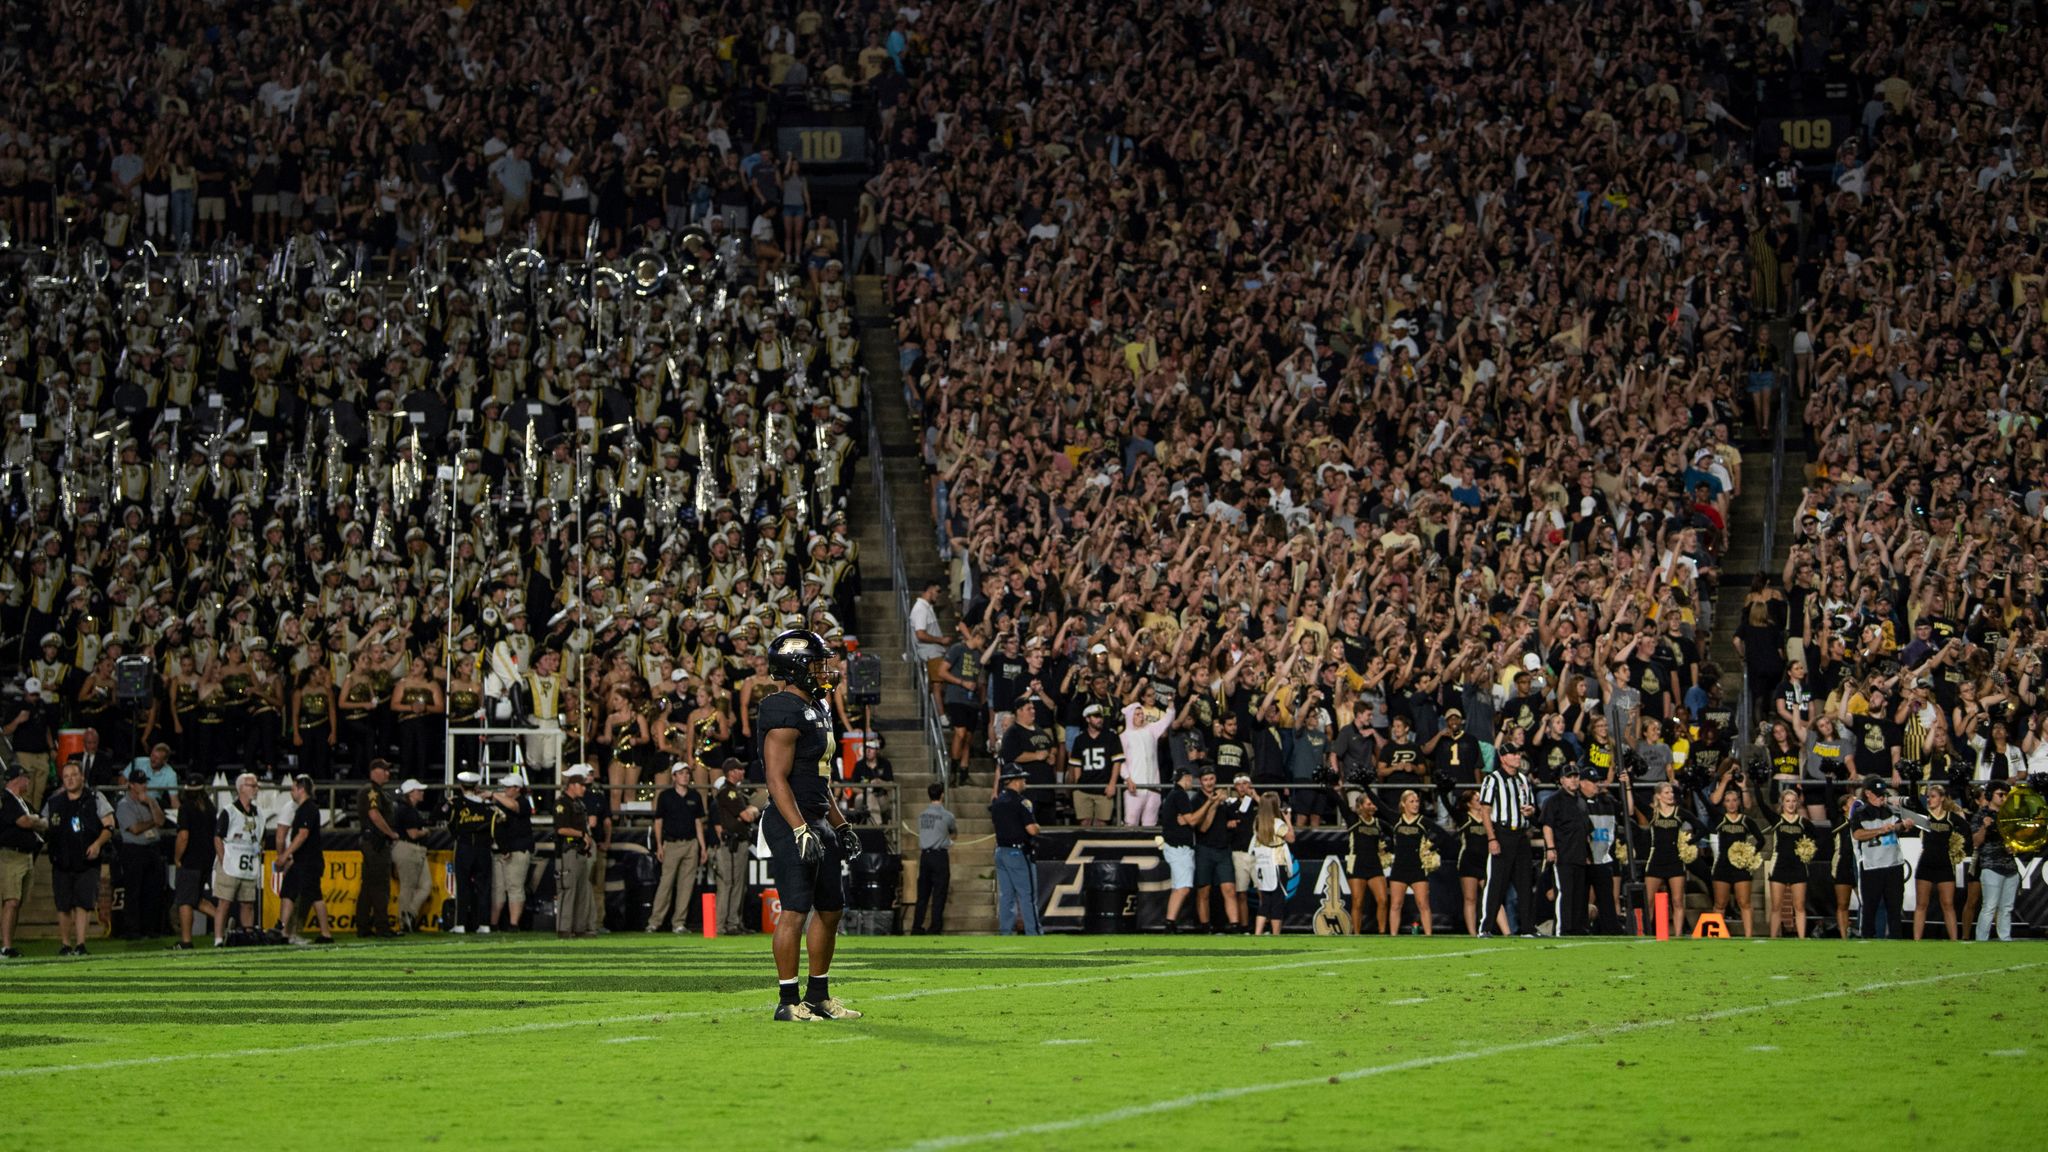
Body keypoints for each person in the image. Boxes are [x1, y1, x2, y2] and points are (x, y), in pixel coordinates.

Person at [758, 628, 863, 1020]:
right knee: (796, 909)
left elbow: (820, 780)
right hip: (791, 820)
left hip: (816, 816)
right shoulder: (781, 708)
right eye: (817, 664)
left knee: (831, 908)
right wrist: (800, 828)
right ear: (797, 668)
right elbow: (775, 779)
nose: (825, 671)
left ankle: (818, 995)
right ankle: (787, 1001)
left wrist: (840, 825)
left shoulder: (817, 707)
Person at [41, 760, 113, 956]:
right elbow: (44, 824)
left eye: (74, 775)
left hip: (87, 860)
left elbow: (109, 825)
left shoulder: (95, 798)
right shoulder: (54, 801)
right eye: (66, 776)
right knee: (63, 904)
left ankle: (80, 944)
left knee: (83, 903)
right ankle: (65, 944)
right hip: (61, 860)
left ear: (82, 777)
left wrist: (97, 844)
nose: (70, 779)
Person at [1478, 745, 1537, 937]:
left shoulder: (1523, 780)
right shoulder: (1492, 779)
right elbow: (1485, 811)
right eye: (1513, 754)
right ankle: (1485, 927)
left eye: (1518, 753)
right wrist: (1492, 838)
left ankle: (1528, 928)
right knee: (1496, 883)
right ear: (1503, 758)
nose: (1517, 757)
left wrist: (1531, 811)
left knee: (1525, 883)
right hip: (1502, 833)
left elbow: (1530, 807)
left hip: (1521, 834)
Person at [274, 774, 334, 945]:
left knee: (308, 894)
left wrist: (285, 855)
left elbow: (302, 835)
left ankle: (287, 932)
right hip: (305, 860)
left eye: (293, 788)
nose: (291, 792)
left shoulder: (307, 808)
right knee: (297, 892)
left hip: (307, 861)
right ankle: (287, 932)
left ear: (301, 789)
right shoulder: (305, 808)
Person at [649, 762, 708, 933]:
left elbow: (698, 823)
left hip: (691, 844)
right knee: (665, 884)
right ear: (674, 776)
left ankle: (679, 923)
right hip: (672, 844)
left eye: (687, 773)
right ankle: (655, 921)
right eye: (681, 773)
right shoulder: (665, 796)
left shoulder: (695, 796)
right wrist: (659, 845)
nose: (685, 776)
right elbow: (658, 822)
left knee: (686, 885)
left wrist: (702, 847)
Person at [1850, 777, 1909, 940]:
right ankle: (1867, 938)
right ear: (1868, 794)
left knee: (1895, 906)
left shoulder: (1890, 810)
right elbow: (1857, 834)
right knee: (1870, 907)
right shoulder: (1861, 813)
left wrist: (1903, 825)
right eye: (1878, 795)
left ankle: (1896, 939)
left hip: (1893, 864)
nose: (1882, 798)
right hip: (1872, 866)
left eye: (1883, 794)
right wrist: (1880, 830)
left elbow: (1897, 826)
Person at [112, 767, 166, 938]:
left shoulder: (151, 801)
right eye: (140, 783)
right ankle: (133, 930)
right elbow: (135, 828)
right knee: (134, 891)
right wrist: (152, 823)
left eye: (145, 782)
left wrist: (150, 803)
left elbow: (161, 821)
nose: (144, 786)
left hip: (152, 848)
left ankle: (150, 928)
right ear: (131, 785)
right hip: (133, 850)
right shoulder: (124, 805)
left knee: (152, 890)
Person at [212, 772, 265, 946]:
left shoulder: (259, 813)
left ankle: (247, 936)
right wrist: (223, 859)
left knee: (247, 902)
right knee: (224, 902)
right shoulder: (229, 811)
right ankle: (219, 939)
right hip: (231, 864)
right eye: (252, 785)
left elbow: (261, 837)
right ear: (241, 788)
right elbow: (218, 837)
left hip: (248, 865)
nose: (256, 789)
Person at [1, 764, 48, 958]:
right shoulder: (6, 798)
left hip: (26, 856)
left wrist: (34, 820)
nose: (29, 781)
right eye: (26, 778)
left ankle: (9, 944)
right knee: (11, 901)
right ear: (18, 779)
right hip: (11, 856)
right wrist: (34, 820)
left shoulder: (22, 802)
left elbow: (44, 822)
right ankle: (5, 946)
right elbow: (25, 822)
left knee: (17, 902)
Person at [1708, 775, 1763, 937]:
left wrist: (1750, 853)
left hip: (1741, 867)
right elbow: (1709, 802)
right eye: (1728, 800)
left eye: (1734, 800)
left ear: (1739, 802)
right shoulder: (1719, 820)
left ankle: (1748, 936)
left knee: (1744, 903)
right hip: (1723, 866)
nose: (1731, 804)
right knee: (1720, 904)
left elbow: (1760, 840)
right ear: (1724, 803)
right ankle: (1715, 936)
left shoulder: (1746, 820)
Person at [990, 766, 1041, 936]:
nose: (1025, 782)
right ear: (1016, 781)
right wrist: (1038, 827)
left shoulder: (997, 802)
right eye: (1023, 779)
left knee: (1007, 895)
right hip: (1017, 853)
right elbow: (1031, 830)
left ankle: (1005, 931)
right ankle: (1033, 932)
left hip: (1000, 852)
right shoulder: (1022, 802)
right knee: (1027, 895)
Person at [1539, 764, 1590, 937]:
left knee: (1578, 894)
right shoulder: (1553, 801)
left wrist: (1587, 854)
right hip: (1563, 854)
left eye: (1576, 776)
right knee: (1564, 893)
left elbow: (1586, 829)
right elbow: (1547, 826)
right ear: (1561, 780)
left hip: (1579, 855)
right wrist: (1551, 848)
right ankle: (1562, 929)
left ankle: (1576, 928)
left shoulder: (1581, 801)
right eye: (1569, 776)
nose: (1574, 779)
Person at [1911, 784, 1964, 942]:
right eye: (1928, 797)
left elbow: (1965, 831)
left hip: (1944, 865)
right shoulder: (1925, 817)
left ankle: (1954, 941)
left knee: (1948, 904)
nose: (1929, 799)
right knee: (1921, 904)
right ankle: (1916, 941)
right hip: (1926, 864)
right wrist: (1914, 780)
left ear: (1941, 798)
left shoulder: (1950, 818)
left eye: (1933, 796)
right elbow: (1913, 800)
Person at [710, 758, 757, 936]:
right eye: (739, 769)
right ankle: (723, 925)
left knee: (738, 885)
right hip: (732, 845)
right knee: (728, 884)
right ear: (731, 772)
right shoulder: (728, 792)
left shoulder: (735, 792)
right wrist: (752, 812)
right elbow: (746, 816)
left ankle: (734, 923)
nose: (743, 772)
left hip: (739, 842)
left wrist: (750, 812)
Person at [1191, 768, 1241, 933]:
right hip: (1205, 849)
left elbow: (1232, 819)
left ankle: (1234, 926)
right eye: (1206, 779)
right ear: (1200, 781)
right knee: (1204, 890)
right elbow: (1203, 828)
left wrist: (1231, 821)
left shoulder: (1224, 798)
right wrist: (1213, 804)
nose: (1209, 783)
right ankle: (1205, 927)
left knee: (1229, 889)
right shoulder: (1197, 800)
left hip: (1223, 849)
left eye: (1212, 779)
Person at [1640, 782, 1692, 938]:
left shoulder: (1679, 812)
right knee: (1648, 901)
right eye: (1667, 792)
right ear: (1658, 795)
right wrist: (1627, 783)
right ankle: (1646, 934)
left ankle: (1677, 935)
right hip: (1655, 860)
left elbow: (1701, 827)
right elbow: (1635, 802)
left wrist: (1689, 842)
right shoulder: (1653, 813)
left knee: (1677, 901)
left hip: (1675, 861)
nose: (1671, 795)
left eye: (1671, 792)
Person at [446, 771, 495, 934]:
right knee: (484, 887)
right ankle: (484, 924)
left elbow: (445, 820)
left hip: (464, 847)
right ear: (476, 786)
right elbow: (495, 826)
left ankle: (460, 924)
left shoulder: (457, 803)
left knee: (463, 886)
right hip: (483, 848)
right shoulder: (486, 804)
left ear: (461, 786)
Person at [1764, 787, 1816, 939]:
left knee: (1799, 906)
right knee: (1776, 906)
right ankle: (1773, 938)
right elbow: (1762, 805)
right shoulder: (1776, 820)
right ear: (1782, 803)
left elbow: (1818, 839)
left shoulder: (1804, 823)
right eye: (1787, 801)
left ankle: (1801, 939)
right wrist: (1754, 784)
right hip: (1779, 865)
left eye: (1794, 801)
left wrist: (1808, 850)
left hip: (1798, 866)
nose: (1791, 804)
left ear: (1798, 803)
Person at [1971, 782, 2019, 941]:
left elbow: (2016, 840)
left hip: (2010, 866)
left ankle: (2005, 939)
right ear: (1990, 795)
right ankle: (1981, 940)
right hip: (1991, 866)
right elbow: (1976, 842)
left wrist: (2014, 847)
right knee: (1989, 907)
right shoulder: (1981, 815)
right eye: (2001, 794)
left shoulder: (2010, 815)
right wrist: (1984, 827)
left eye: (2006, 795)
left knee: (2006, 908)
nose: (2004, 798)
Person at [553, 766, 597, 938]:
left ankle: (579, 928)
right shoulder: (561, 804)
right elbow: (561, 829)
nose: (584, 788)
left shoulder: (579, 804)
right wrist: (582, 835)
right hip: (568, 851)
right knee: (568, 890)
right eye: (581, 785)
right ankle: (564, 928)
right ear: (572, 785)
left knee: (582, 891)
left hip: (580, 852)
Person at [1385, 789, 1435, 936]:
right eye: (1411, 801)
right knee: (1395, 905)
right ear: (1403, 804)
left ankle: (1429, 936)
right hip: (1399, 867)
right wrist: (1367, 787)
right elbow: (1380, 805)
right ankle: (1393, 936)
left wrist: (1432, 849)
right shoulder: (1396, 820)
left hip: (1417, 868)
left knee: (1423, 904)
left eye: (1417, 801)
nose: (1415, 804)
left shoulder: (1424, 822)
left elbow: (1442, 837)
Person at [491, 772, 537, 932]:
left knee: (515, 887)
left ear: (517, 789)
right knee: (498, 889)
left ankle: (513, 924)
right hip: (502, 850)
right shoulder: (503, 803)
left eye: (508, 787)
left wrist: (493, 794)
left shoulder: (523, 802)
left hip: (518, 850)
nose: (505, 790)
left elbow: (514, 807)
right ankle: (493, 923)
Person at [1156, 766, 1201, 931]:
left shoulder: (1172, 795)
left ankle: (1170, 922)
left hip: (1172, 846)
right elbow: (1193, 821)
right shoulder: (1180, 794)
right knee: (1183, 888)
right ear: (1187, 778)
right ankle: (1170, 922)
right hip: (1178, 847)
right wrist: (1210, 803)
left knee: (1177, 887)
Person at [1068, 703, 1122, 827]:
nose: (1100, 719)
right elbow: (1076, 765)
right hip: (1083, 789)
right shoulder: (1080, 739)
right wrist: (1077, 783)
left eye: (1101, 716)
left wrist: (1112, 784)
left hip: (1104, 788)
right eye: (1096, 716)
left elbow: (1117, 762)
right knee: (1084, 824)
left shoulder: (1111, 736)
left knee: (1101, 825)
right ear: (1087, 719)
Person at [5, 678, 55, 812]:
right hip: (24, 754)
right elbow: (5, 731)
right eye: (32, 694)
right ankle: (26, 816)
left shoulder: (43, 705)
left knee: (39, 791)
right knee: (26, 789)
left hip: (41, 754)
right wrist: (18, 720)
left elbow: (47, 729)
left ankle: (35, 816)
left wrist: (52, 748)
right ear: (26, 692)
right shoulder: (16, 707)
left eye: (37, 694)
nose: (34, 697)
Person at [1248, 791, 1294, 936]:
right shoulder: (1277, 823)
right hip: (1277, 864)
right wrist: (1288, 820)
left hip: (1262, 864)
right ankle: (1275, 934)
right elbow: (1291, 838)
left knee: (1265, 900)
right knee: (1277, 901)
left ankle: (1258, 932)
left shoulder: (1257, 822)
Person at [391, 779, 434, 933]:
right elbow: (413, 834)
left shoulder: (409, 809)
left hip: (415, 850)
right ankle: (403, 923)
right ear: (411, 793)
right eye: (419, 790)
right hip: (407, 848)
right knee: (408, 887)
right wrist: (426, 831)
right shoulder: (406, 810)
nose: (422, 793)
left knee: (426, 886)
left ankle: (409, 914)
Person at [912, 782, 954, 935]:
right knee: (939, 894)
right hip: (939, 856)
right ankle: (935, 928)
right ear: (942, 794)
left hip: (925, 856)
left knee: (922, 895)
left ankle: (917, 927)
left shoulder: (922, 816)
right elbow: (952, 831)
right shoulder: (947, 816)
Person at [1343, 790, 1387, 935]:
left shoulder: (1378, 823)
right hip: (1357, 865)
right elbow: (1340, 804)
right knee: (1357, 902)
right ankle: (1356, 933)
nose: (1372, 806)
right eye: (1369, 804)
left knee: (1383, 900)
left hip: (1374, 865)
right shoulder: (1353, 820)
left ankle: (1382, 933)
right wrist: (1330, 787)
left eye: (1373, 804)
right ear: (1360, 806)